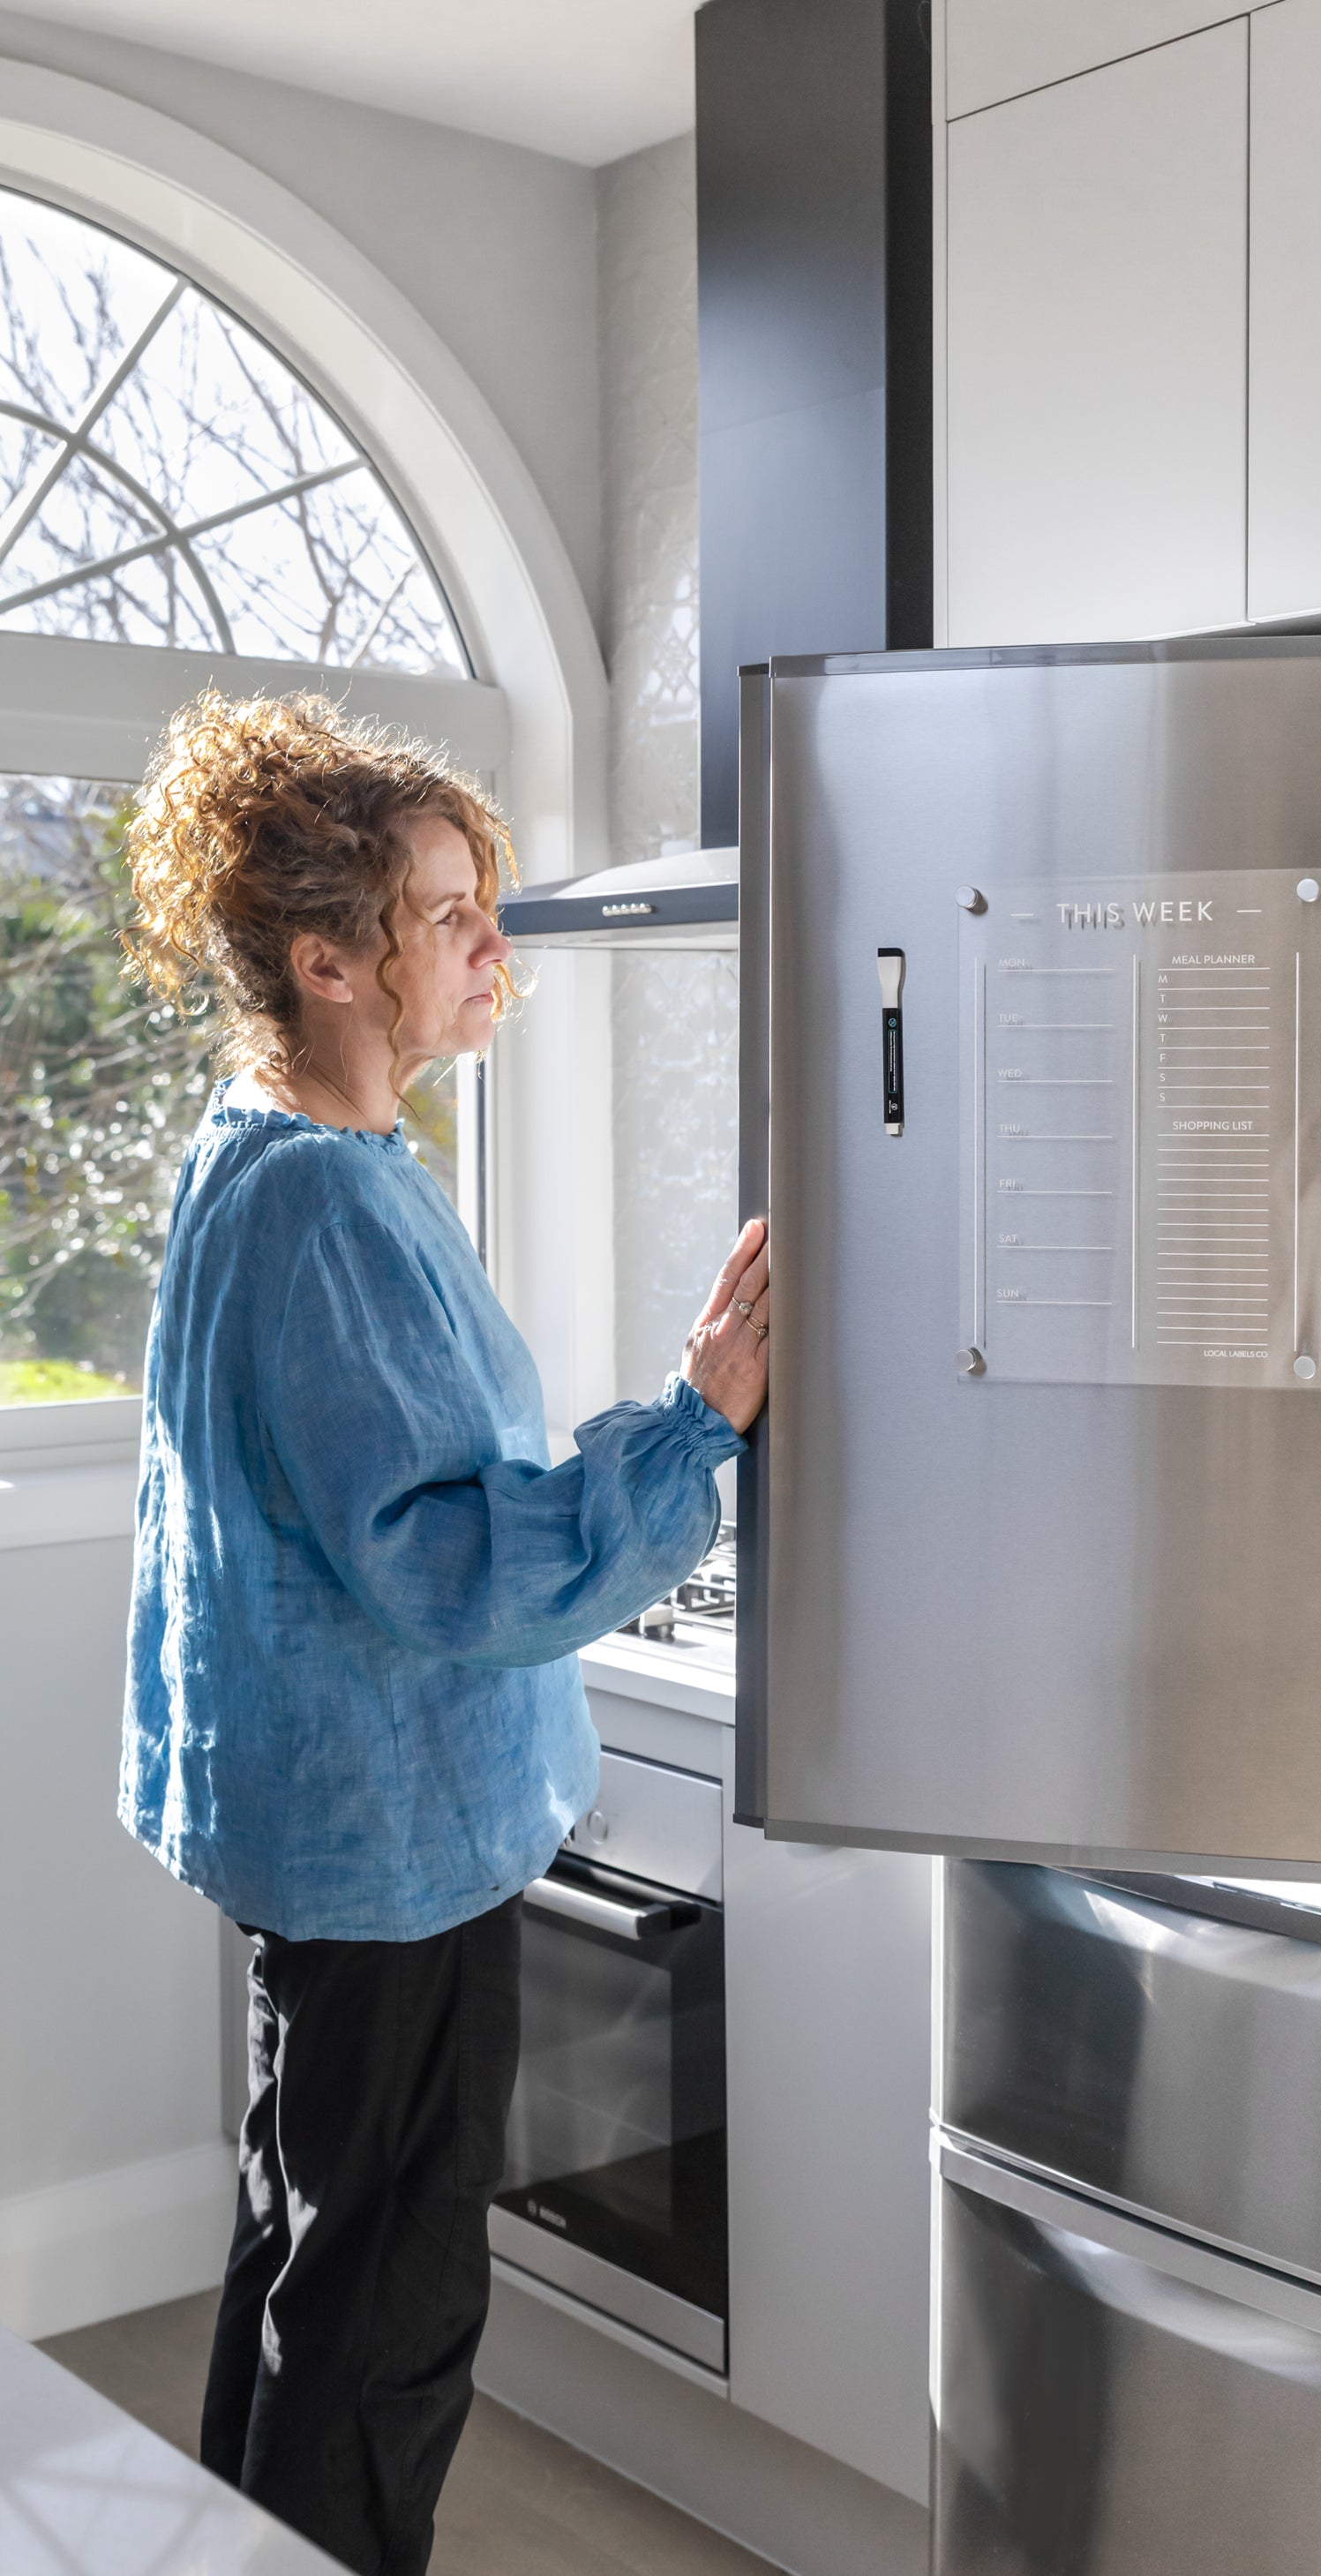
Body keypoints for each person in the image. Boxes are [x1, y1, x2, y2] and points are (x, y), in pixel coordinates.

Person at [117, 690, 769, 2576]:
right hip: (393, 1852)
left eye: (486, 899)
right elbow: (468, 1566)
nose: (500, 945)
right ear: (330, 963)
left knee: (301, 2243)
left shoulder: (264, 1151)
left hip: (330, 1836)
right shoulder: (326, 1201)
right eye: (450, 912)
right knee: (382, 2315)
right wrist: (697, 1416)